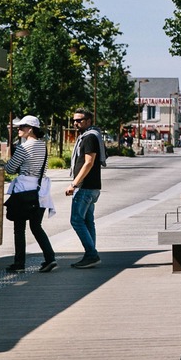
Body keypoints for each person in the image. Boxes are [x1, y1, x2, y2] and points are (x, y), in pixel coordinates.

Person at [3, 115, 56, 273]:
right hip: (40, 191)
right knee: (36, 226)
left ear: (30, 129)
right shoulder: (43, 146)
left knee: (19, 228)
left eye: (21, 127)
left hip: (24, 191)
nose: (18, 129)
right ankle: (50, 258)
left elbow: (10, 168)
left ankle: (19, 264)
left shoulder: (23, 148)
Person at [66, 108, 103, 268]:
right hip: (91, 187)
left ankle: (91, 254)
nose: (75, 123)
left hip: (85, 187)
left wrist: (74, 184)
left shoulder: (89, 137)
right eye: (74, 120)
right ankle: (91, 254)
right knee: (88, 221)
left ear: (88, 121)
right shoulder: (89, 136)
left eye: (79, 120)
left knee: (76, 220)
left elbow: (89, 162)